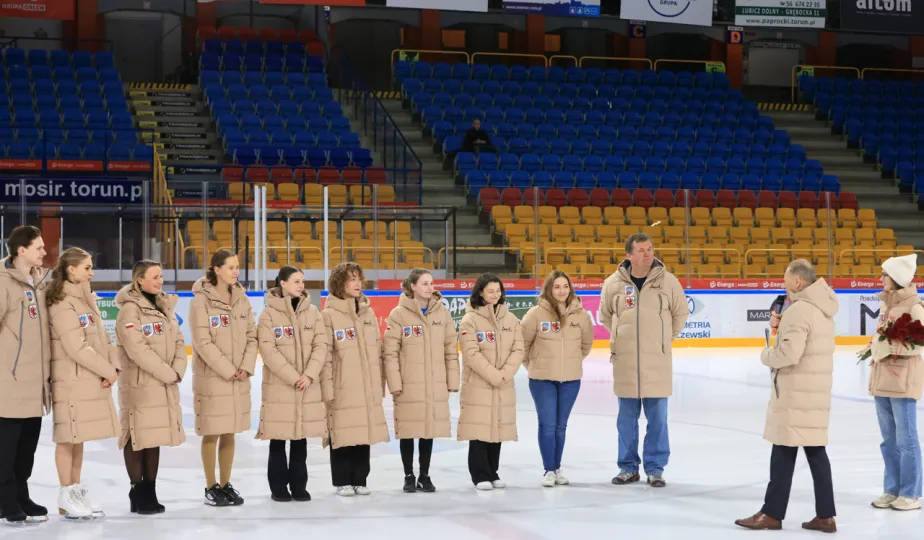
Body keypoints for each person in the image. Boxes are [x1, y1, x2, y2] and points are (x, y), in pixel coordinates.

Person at [735, 260, 838, 533]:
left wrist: (767, 354)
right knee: (816, 452)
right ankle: (825, 515)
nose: (783, 284)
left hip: (795, 393)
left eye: (785, 279)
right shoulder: (822, 309)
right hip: (814, 393)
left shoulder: (800, 311)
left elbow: (788, 355)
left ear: (798, 282)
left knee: (782, 451)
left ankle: (771, 513)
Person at [598, 233, 688, 488]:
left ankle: (655, 469)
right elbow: (605, 316)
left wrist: (661, 340)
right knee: (626, 420)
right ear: (628, 255)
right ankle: (628, 468)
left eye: (649, 249)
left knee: (658, 419)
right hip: (625, 362)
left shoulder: (669, 282)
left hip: (656, 362)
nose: (647, 254)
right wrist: (621, 338)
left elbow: (680, 315)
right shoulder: (612, 284)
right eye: (641, 250)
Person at [47, 247, 120, 519]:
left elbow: (103, 338)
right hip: (70, 378)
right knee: (67, 437)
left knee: (79, 437)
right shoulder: (62, 301)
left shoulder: (86, 300)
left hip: (88, 376)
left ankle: (75, 489)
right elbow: (75, 346)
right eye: (87, 267)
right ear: (71, 269)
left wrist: (112, 366)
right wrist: (107, 371)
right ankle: (65, 492)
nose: (92, 272)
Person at [116, 260, 187, 515]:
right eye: (155, 277)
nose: (160, 281)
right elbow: (137, 348)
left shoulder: (164, 306)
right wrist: (167, 373)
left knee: (153, 437)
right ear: (140, 281)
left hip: (163, 382)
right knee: (137, 437)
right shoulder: (129, 311)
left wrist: (178, 369)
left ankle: (151, 491)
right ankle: (137, 490)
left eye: (161, 276)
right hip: (140, 384)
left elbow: (179, 339)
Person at [256, 266, 330, 503]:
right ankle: (278, 487)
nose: (301, 285)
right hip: (280, 386)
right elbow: (268, 350)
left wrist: (308, 375)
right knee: (279, 437)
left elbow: (321, 345)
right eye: (296, 281)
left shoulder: (313, 312)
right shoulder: (268, 315)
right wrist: (292, 376)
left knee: (301, 437)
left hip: (306, 385)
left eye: (302, 281)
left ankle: (299, 485)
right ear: (283, 284)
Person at [190, 249, 257, 507]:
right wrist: (229, 369)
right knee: (212, 431)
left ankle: (225, 484)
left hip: (238, 376)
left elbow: (252, 335)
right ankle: (210, 486)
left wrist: (245, 366)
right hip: (214, 378)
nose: (235, 271)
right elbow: (202, 341)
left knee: (230, 431)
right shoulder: (200, 301)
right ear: (216, 269)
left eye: (237, 267)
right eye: (230, 267)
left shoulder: (242, 299)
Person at [383, 269, 459, 493]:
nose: (429, 287)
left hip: (435, 383)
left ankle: (425, 475)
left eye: (431, 283)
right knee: (408, 430)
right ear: (413, 286)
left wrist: (452, 380)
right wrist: (395, 383)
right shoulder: (398, 314)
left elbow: (450, 350)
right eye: (424, 283)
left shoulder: (442, 314)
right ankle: (409, 475)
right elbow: (390, 352)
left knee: (428, 429)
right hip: (408, 384)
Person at [321, 262, 389, 497]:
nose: (357, 283)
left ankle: (360, 478)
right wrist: (328, 388)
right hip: (343, 385)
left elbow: (378, 350)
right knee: (342, 432)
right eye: (351, 279)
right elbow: (326, 356)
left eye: (359, 278)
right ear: (340, 283)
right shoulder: (328, 315)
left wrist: (379, 382)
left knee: (364, 431)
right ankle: (342, 479)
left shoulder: (368, 313)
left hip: (367, 384)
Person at [521, 270, 593, 488]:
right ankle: (549, 470)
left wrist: (570, 363)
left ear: (570, 289)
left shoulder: (581, 315)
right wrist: (535, 365)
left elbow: (586, 345)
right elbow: (522, 346)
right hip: (542, 380)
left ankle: (558, 467)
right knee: (547, 425)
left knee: (561, 426)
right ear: (549, 289)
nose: (562, 291)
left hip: (570, 380)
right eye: (557, 287)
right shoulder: (535, 314)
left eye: (565, 286)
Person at [0, 226, 51, 524]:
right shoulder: (4, 282)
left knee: (26, 447)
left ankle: (21, 494)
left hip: (36, 381)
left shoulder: (40, 280)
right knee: (7, 448)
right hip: (11, 380)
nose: (45, 252)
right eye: (39, 247)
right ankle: (6, 500)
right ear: (22, 250)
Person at [457, 273, 524, 490]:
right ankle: (480, 474)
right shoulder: (470, 320)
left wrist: (504, 374)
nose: (495, 295)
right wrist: (495, 376)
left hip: (503, 384)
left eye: (498, 290)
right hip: (479, 384)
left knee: (497, 428)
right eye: (490, 291)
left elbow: (518, 350)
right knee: (480, 430)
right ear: (480, 293)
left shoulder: (512, 320)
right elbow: (471, 354)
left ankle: (493, 472)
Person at [867, 253, 923, 511]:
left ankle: (910, 493)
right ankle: (892, 489)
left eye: (884, 275)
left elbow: (918, 343)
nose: (881, 278)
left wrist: (887, 346)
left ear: (897, 279)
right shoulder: (887, 305)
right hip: (882, 379)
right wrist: (875, 346)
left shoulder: (914, 307)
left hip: (902, 382)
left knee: (906, 439)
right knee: (888, 439)